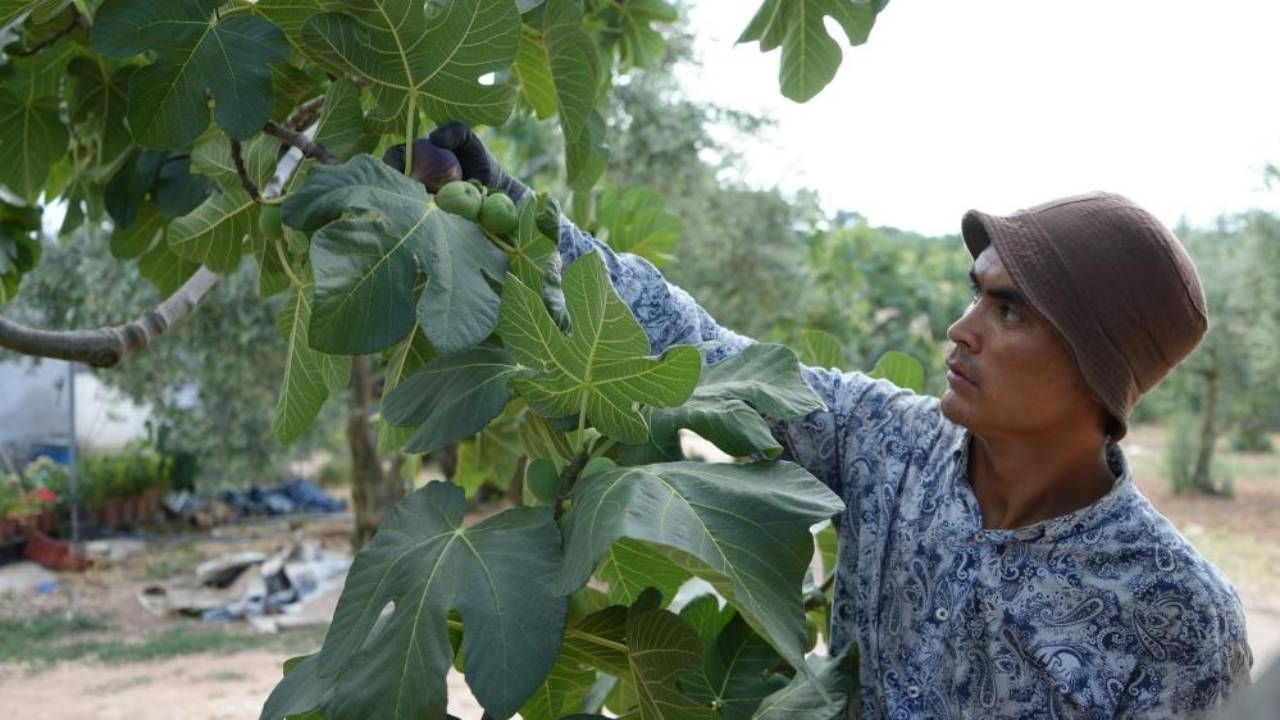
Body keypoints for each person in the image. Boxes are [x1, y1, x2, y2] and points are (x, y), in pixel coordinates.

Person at [425, 122, 1253, 718]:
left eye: (1008, 311)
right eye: (976, 293)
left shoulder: (1178, 617)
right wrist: (513, 213)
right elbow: (703, 352)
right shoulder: (883, 439)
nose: (961, 329)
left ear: (1095, 366)